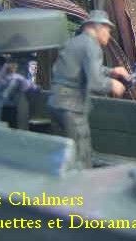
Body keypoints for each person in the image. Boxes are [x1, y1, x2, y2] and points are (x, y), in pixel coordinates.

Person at [47, 10, 129, 169]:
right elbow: (96, 83)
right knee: (81, 155)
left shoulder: (75, 42)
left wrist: (111, 71)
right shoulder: (92, 46)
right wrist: (112, 84)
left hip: (57, 103)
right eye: (107, 29)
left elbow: (82, 68)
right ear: (97, 28)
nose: (109, 34)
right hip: (72, 106)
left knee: (65, 152)